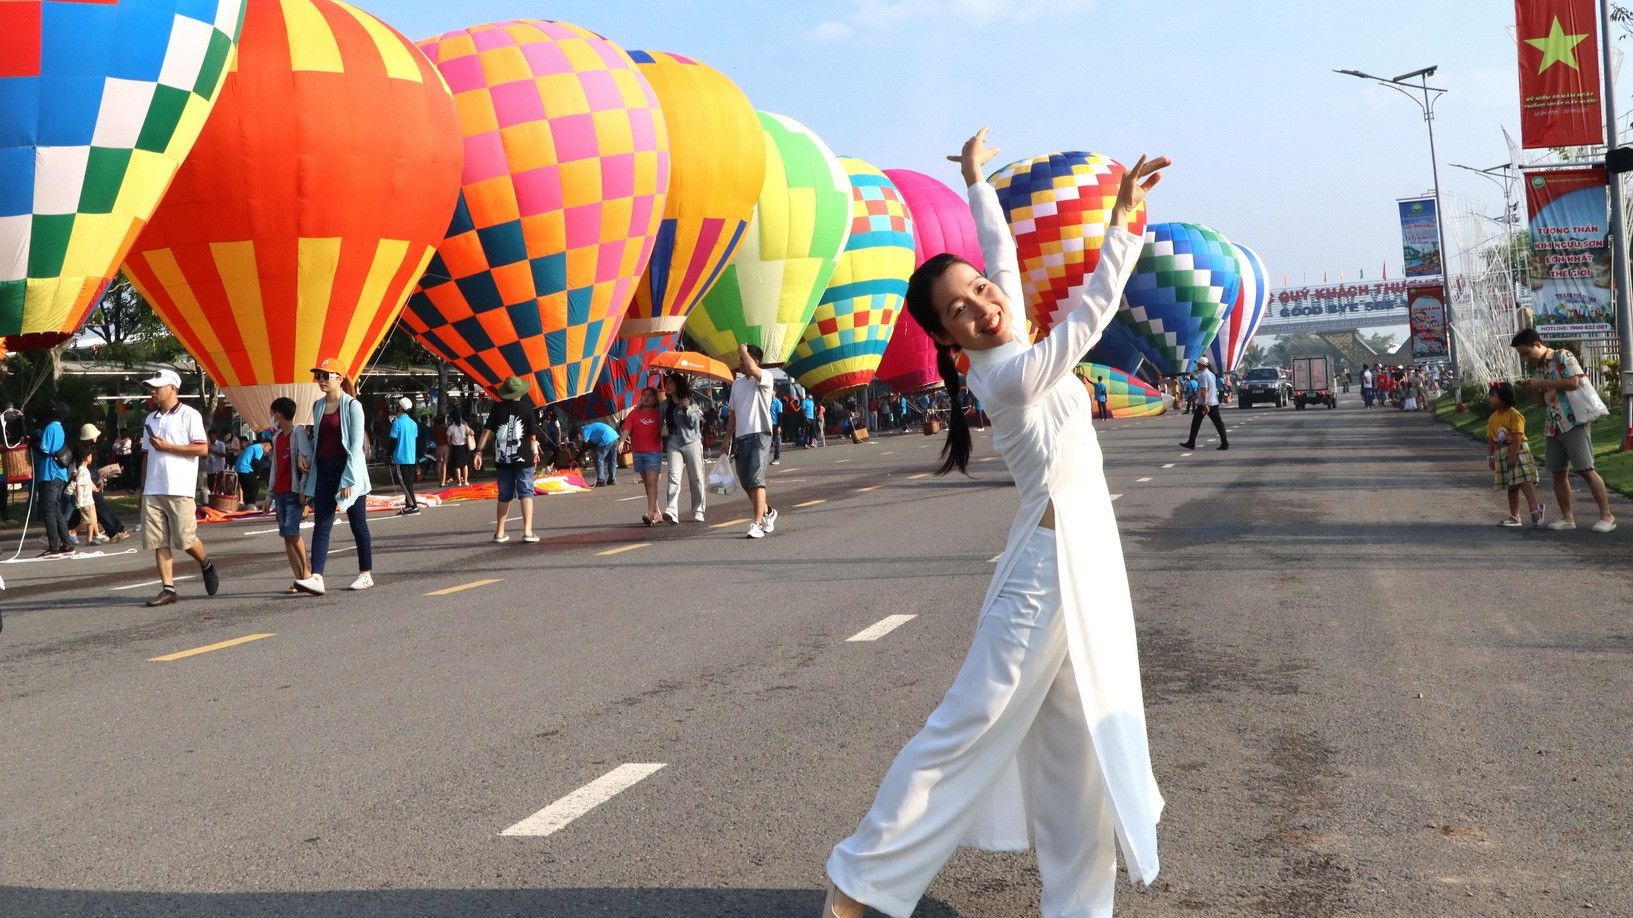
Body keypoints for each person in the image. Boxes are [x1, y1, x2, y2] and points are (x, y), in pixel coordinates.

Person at [823, 130, 1166, 918]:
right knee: (966, 724)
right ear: (945, 338)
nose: (982, 305)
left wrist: (979, 183)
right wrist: (1122, 222)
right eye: (959, 310)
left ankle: (1078, 909)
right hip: (1046, 573)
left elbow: (1001, 260)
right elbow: (1090, 314)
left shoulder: (1009, 341)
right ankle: (856, 881)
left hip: (1082, 562)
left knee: (1079, 749)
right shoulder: (1011, 375)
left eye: (979, 290)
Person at [1512, 328, 1616, 532]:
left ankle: (1607, 515)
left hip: (1574, 421)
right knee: (1558, 472)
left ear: (1537, 344)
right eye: (1522, 355)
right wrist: (1533, 390)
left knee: (1585, 468)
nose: (1526, 358)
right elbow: (1542, 402)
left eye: (1526, 353)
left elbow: (1574, 382)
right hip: (1553, 425)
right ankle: (1567, 518)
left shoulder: (1562, 356)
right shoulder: (1538, 370)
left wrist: (1542, 382)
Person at [138, 369, 219, 606]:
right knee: (158, 540)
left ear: (172, 388)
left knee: (185, 539)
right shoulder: (150, 419)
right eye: (151, 387)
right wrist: (142, 487)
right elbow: (146, 455)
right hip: (153, 488)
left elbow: (202, 449)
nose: (153, 391)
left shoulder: (189, 415)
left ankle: (206, 564)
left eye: (157, 387)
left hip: (179, 487)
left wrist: (170, 447)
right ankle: (168, 589)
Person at [295, 358, 375, 594]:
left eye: (325, 375)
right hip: (324, 470)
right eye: (318, 375)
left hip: (349, 470)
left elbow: (356, 445)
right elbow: (319, 439)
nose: (320, 380)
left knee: (358, 524)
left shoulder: (353, 406)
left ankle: (365, 574)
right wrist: (304, 456)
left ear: (340, 378)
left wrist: (349, 478)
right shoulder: (318, 406)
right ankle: (317, 577)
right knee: (321, 525)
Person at [474, 375, 541, 543]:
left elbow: (487, 431)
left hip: (502, 459)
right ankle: (527, 532)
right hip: (523, 458)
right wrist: (534, 452)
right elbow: (532, 437)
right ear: (521, 392)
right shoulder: (527, 409)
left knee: (504, 495)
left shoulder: (497, 409)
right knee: (526, 493)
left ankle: (500, 533)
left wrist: (478, 452)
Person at [727, 342, 777, 539]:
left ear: (755, 361)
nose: (740, 363)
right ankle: (768, 512)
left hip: (760, 435)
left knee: (756, 481)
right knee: (747, 484)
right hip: (741, 438)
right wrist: (726, 440)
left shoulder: (765, 377)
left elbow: (754, 371)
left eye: (743, 360)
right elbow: (732, 414)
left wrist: (743, 350)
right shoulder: (737, 384)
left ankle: (757, 523)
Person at [267, 396, 313, 593]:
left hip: (294, 492)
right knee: (286, 536)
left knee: (292, 533)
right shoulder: (276, 438)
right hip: (280, 492)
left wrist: (303, 490)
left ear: (278, 414)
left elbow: (306, 462)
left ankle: (307, 575)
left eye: (273, 413)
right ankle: (298, 579)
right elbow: (274, 468)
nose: (271, 417)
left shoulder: (298, 432)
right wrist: (269, 496)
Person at [1486, 382, 1544, 528]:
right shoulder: (1493, 418)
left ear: (1504, 397)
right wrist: (1491, 457)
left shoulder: (1515, 415)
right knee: (1511, 486)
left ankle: (1535, 511)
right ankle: (1515, 516)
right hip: (1502, 453)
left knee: (1525, 481)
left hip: (1518, 451)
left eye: (1493, 396)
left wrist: (1513, 455)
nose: (1490, 399)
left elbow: (1518, 436)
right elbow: (1491, 439)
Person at [661, 372, 706, 524]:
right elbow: (659, 423)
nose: (667, 386)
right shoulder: (665, 404)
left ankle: (698, 510)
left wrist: (687, 409)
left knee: (696, 477)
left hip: (691, 441)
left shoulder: (691, 401)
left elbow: (695, 423)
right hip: (673, 441)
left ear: (678, 385)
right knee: (673, 476)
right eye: (666, 383)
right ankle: (672, 510)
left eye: (671, 383)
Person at [31, 404, 73, 558]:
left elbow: (44, 450)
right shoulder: (59, 428)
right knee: (56, 510)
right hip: (60, 474)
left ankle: (54, 547)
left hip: (50, 473)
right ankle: (67, 544)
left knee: (48, 510)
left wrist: (33, 444)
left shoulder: (50, 427)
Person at [621, 386, 665, 525]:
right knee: (647, 482)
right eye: (644, 395)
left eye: (650, 396)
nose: (646, 398)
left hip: (654, 452)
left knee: (652, 481)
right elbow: (627, 428)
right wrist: (621, 442)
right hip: (638, 452)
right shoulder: (634, 413)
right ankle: (656, 512)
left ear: (655, 399)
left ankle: (650, 513)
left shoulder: (658, 414)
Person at [1181, 355, 1229, 451]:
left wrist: (1205, 404)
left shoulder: (1202, 376)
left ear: (1202, 365)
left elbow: (1204, 390)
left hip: (1205, 404)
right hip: (1213, 402)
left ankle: (1191, 442)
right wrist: (1197, 396)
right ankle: (1224, 443)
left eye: (1198, 364)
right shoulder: (1211, 375)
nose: (1197, 366)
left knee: (1196, 423)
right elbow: (1208, 390)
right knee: (1218, 423)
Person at [389, 398, 420, 515]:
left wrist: (388, 454)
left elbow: (393, 441)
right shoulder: (413, 423)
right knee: (409, 482)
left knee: (404, 482)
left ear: (401, 408)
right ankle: (408, 505)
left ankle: (413, 505)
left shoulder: (397, 423)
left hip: (400, 456)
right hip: (410, 456)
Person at [70, 447, 100, 548]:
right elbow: (78, 484)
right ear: (86, 457)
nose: (91, 458)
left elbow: (87, 482)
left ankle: (89, 539)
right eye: (90, 456)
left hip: (89, 499)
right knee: (88, 520)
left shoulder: (85, 470)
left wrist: (94, 488)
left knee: (92, 519)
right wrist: (79, 497)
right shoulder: (82, 470)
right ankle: (73, 532)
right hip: (84, 500)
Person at [582, 419, 620, 486]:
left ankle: (601, 480)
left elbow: (585, 443)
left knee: (598, 459)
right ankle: (612, 479)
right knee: (612, 459)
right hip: (614, 437)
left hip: (606, 438)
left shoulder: (584, 430)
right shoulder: (592, 427)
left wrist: (580, 455)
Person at [233, 433, 264, 512]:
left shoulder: (252, 447)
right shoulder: (259, 448)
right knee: (255, 485)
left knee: (246, 488)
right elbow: (256, 461)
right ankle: (251, 505)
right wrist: (257, 474)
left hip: (239, 469)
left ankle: (247, 506)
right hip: (245, 469)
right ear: (267, 445)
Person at [447, 410, 473, 486]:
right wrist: (467, 425)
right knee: (465, 464)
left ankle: (459, 482)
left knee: (456, 465)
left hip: (455, 447)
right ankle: (465, 481)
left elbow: (448, 439)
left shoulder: (450, 428)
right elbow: (472, 433)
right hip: (464, 447)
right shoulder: (464, 426)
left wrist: (450, 446)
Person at [432, 413, 451, 487]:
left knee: (439, 464)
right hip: (445, 446)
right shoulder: (445, 429)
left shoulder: (435, 430)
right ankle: (443, 482)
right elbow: (448, 439)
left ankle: (440, 481)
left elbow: (434, 438)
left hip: (438, 447)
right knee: (444, 464)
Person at [769, 392, 783, 465]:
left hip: (775, 425)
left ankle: (776, 458)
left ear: (775, 392)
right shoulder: (767, 401)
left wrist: (779, 426)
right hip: (767, 425)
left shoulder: (778, 402)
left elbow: (780, 415)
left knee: (777, 443)